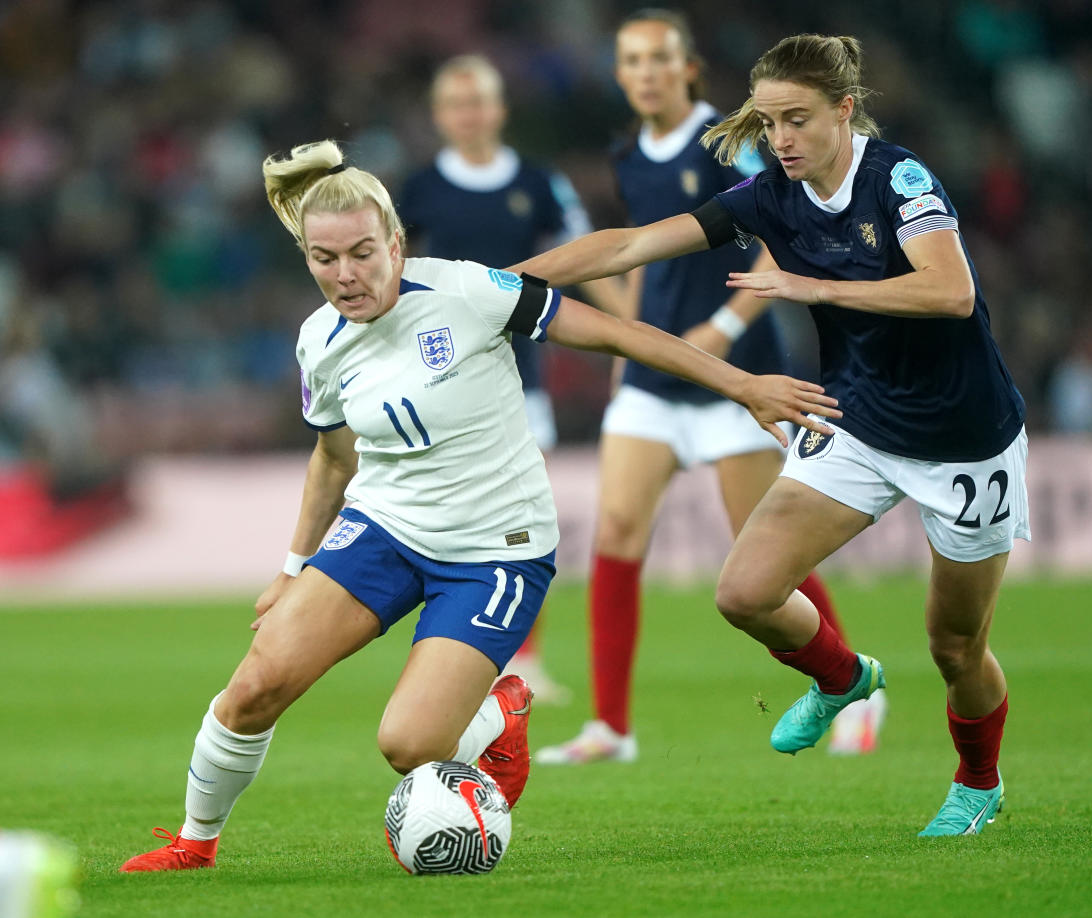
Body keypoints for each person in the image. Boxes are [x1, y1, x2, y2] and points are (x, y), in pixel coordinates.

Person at [119, 139, 839, 871]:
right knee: (254, 685)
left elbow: (620, 334)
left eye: (363, 253)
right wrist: (292, 565)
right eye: (324, 259)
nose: (345, 276)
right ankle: (193, 844)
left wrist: (742, 384)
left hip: (496, 550)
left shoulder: (469, 292)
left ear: (397, 242)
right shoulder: (319, 342)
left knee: (410, 745)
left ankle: (503, 709)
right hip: (383, 530)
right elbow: (333, 458)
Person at [514, 33, 1029, 835]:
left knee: (955, 648)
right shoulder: (767, 195)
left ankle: (978, 781)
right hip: (856, 421)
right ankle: (842, 678)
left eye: (797, 120)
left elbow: (952, 293)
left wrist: (806, 284)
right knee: (744, 592)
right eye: (768, 123)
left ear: (844, 111)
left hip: (966, 437)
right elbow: (630, 243)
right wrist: (504, 282)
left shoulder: (898, 178)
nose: (781, 140)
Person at [535, 9, 882, 766]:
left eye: (660, 58)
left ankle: (854, 679)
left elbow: (781, 242)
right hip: (656, 381)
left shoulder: (741, 142)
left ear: (689, 68)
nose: (647, 72)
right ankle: (611, 728)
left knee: (767, 557)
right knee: (617, 537)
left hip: (737, 379)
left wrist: (724, 329)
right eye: (632, 60)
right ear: (621, 74)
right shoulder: (628, 151)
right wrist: (630, 335)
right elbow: (636, 254)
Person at [397, 54, 623, 703]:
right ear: (442, 116)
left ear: (499, 110)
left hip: (520, 375)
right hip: (435, 375)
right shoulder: (416, 191)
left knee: (526, 517)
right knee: (440, 513)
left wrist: (629, 332)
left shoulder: (538, 181)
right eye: (457, 104)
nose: (470, 114)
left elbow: (588, 257)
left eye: (481, 101)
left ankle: (525, 659)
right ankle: (447, 656)